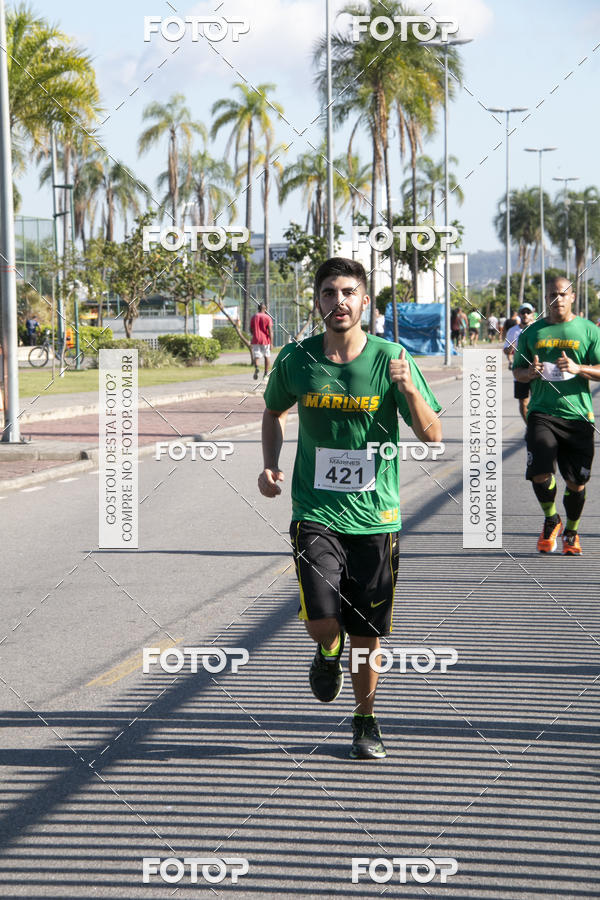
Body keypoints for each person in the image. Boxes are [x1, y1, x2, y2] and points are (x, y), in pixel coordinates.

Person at [258, 257, 442, 759]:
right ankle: (326, 650)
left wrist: (407, 390)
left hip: (377, 517)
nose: (338, 302)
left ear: (364, 301)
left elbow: (432, 435)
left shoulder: (391, 358)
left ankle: (365, 720)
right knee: (323, 619)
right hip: (315, 511)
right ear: (316, 301)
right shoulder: (296, 359)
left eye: (348, 293)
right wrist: (270, 464)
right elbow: (272, 412)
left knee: (367, 632)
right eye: (328, 293)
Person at [513, 277, 600, 555]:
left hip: (578, 415)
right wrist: (530, 373)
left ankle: (571, 531)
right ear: (546, 298)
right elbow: (518, 371)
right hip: (542, 412)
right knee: (539, 471)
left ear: (572, 297)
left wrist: (578, 368)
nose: (558, 299)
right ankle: (552, 518)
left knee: (577, 482)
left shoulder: (588, 330)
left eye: (563, 294)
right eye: (552, 294)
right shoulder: (531, 333)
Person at [505, 303, 536, 422]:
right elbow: (506, 349)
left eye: (528, 312)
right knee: (523, 402)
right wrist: (510, 348)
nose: (525, 315)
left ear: (532, 314)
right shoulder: (513, 331)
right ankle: (529, 426)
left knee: (537, 402)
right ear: (519, 315)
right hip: (520, 371)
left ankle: (536, 427)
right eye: (523, 312)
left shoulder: (537, 328)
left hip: (536, 370)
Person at [249, 302, 273, 380]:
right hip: (265, 340)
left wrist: (255, 334)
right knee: (267, 356)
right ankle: (266, 374)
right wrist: (271, 343)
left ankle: (257, 367)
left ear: (258, 308)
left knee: (256, 356)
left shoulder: (254, 317)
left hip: (256, 339)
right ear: (265, 309)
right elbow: (270, 331)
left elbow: (250, 329)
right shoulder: (267, 317)